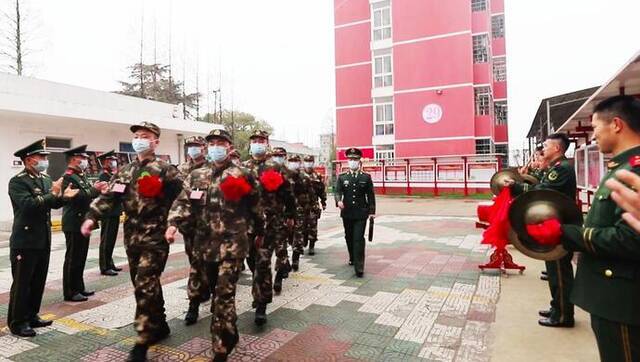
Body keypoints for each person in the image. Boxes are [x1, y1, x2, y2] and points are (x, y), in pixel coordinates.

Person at [528, 95, 640, 360]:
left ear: (616, 124)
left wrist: (565, 233)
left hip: (621, 299)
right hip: (612, 296)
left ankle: (562, 312)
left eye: (595, 126)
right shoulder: (621, 166)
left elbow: (629, 238)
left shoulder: (633, 171)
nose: (593, 135)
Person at [80, 122, 183, 362]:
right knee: (144, 282)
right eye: (137, 136)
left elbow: (183, 199)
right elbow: (109, 196)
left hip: (156, 235)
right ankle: (160, 323)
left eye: (145, 136)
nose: (140, 140)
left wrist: (174, 222)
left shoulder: (167, 170)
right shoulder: (125, 171)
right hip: (132, 236)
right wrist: (91, 216)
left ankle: (142, 341)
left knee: (145, 283)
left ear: (156, 141)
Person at [166, 128, 264, 361]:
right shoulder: (197, 175)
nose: (216, 147)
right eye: (212, 143)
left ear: (229, 147)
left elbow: (256, 206)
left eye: (221, 143)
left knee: (223, 295)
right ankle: (229, 331)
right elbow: (183, 202)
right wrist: (172, 224)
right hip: (204, 246)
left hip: (233, 246)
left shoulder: (243, 174)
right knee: (210, 289)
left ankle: (220, 349)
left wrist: (259, 231)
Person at [7, 140, 77, 337]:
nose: (45, 160)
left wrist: (64, 198)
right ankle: (18, 322)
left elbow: (51, 204)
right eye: (42, 157)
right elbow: (28, 205)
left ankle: (32, 315)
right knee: (22, 283)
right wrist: (53, 194)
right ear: (29, 160)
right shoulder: (18, 181)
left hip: (42, 238)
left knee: (38, 280)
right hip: (25, 241)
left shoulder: (45, 179)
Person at [508, 133, 576, 328]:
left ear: (557, 148)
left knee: (559, 272)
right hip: (551, 224)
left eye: (546, 146)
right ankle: (557, 307)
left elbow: (542, 191)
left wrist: (517, 187)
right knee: (554, 270)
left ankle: (563, 315)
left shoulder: (562, 169)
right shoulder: (557, 167)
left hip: (557, 225)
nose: (542, 149)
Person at [242, 131, 295, 325]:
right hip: (247, 225)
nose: (257, 144)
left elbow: (288, 194)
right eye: (254, 141)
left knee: (263, 262)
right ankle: (260, 290)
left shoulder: (276, 167)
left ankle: (261, 304)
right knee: (252, 261)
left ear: (267, 144)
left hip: (269, 224)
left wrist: (290, 216)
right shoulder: (241, 168)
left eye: (261, 141)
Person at [61, 145, 108, 302]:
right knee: (73, 258)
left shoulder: (80, 175)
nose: (86, 161)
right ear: (74, 159)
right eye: (84, 158)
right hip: (74, 222)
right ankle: (70, 291)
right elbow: (74, 197)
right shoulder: (68, 177)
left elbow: (85, 193)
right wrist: (94, 190)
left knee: (81, 257)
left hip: (82, 221)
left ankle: (79, 287)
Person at [177, 136, 211, 326]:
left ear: (203, 148)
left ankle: (194, 303)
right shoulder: (181, 169)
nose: (192, 149)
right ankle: (203, 287)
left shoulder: (212, 169)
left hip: (207, 225)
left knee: (199, 263)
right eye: (189, 146)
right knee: (194, 259)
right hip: (188, 224)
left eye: (196, 146)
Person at [334, 148, 376, 277]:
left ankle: (359, 266)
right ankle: (352, 256)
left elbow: (370, 195)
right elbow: (337, 192)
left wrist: (372, 211)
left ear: (359, 161)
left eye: (355, 159)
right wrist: (338, 201)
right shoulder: (342, 177)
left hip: (361, 213)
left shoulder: (366, 177)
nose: (353, 161)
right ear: (348, 161)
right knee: (349, 237)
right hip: (347, 213)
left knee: (358, 238)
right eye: (351, 159)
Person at [286, 154, 315, 272]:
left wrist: (311, 207)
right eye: (291, 161)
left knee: (298, 236)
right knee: (287, 236)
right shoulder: (282, 177)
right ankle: (284, 259)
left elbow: (311, 194)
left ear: (299, 163)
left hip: (300, 212)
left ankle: (295, 259)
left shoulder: (304, 178)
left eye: (296, 161)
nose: (294, 163)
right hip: (284, 213)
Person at [97, 150, 122, 276]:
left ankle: (110, 262)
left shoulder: (113, 174)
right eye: (109, 160)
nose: (113, 162)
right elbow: (110, 192)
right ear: (103, 162)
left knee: (111, 239)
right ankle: (104, 266)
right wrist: (121, 188)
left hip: (115, 211)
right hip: (108, 212)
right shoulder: (103, 176)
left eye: (113, 160)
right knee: (106, 239)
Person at [302, 155, 326, 255]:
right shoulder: (299, 175)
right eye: (307, 161)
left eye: (310, 161)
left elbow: (322, 190)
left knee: (313, 226)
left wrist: (323, 202)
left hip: (313, 205)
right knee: (302, 226)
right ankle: (304, 240)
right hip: (301, 205)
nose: (308, 163)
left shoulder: (317, 176)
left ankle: (312, 245)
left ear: (313, 162)